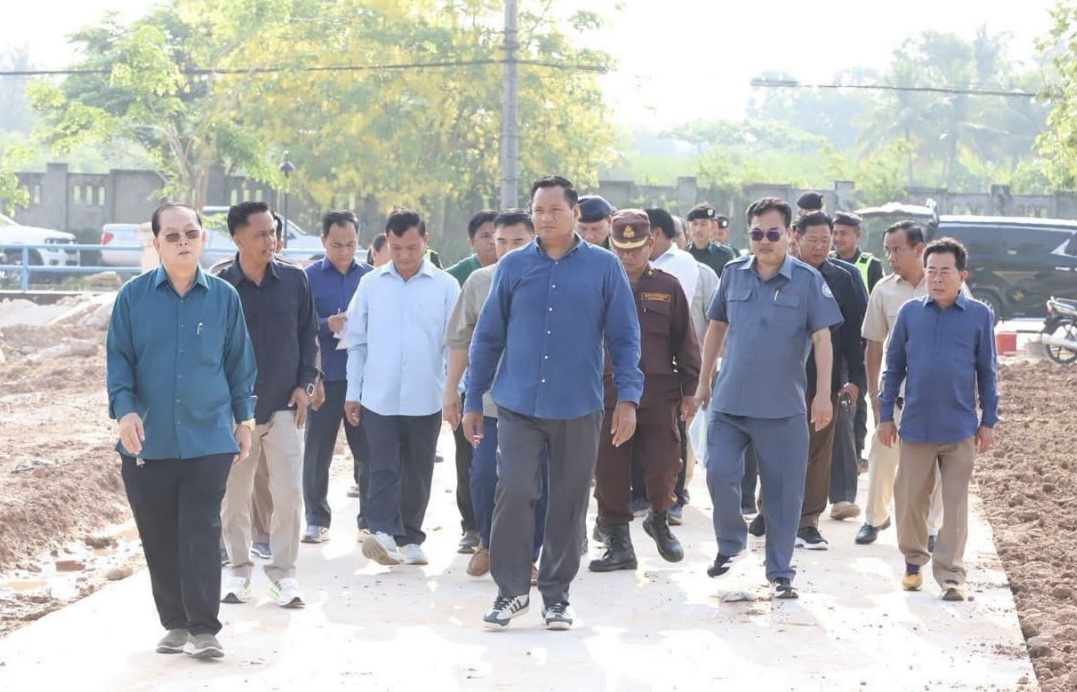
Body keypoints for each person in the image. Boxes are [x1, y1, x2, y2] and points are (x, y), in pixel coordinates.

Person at [464, 175, 643, 631]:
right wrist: (472, 397)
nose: (545, 218)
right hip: (518, 403)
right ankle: (510, 592)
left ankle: (557, 596)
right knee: (514, 489)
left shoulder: (604, 267)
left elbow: (625, 337)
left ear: (575, 213)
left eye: (555, 210)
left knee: (568, 500)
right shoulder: (513, 266)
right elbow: (487, 336)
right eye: (539, 210)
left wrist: (628, 398)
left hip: (578, 404)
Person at [107, 202, 256, 659]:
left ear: (203, 238)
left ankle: (205, 628)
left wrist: (244, 419)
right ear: (157, 243)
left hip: (208, 436)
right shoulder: (132, 297)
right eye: (172, 236)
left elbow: (239, 363)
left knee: (201, 529)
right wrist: (125, 412)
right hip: (148, 441)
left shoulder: (224, 297)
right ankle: (175, 623)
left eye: (190, 233)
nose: (183, 242)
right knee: (159, 535)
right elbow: (119, 363)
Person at [695, 197, 843, 600]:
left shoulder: (807, 281)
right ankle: (731, 544)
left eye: (773, 234)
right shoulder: (732, 274)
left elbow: (823, 339)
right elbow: (716, 327)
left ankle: (780, 572)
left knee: (783, 496)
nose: (764, 241)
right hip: (730, 402)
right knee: (718, 472)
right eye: (757, 234)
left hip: (783, 408)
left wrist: (823, 395)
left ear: (789, 235)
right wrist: (703, 381)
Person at [878, 237, 999, 601]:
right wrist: (885, 415)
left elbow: (987, 372)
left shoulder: (979, 315)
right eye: (931, 271)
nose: (937, 278)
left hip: (960, 427)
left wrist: (988, 421)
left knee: (956, 504)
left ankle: (951, 574)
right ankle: (913, 562)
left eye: (946, 271)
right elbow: (893, 367)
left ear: (962, 275)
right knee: (910, 499)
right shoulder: (910, 314)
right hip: (916, 425)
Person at [344, 208, 460, 567]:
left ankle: (410, 538)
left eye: (411, 247)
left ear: (425, 240)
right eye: (396, 248)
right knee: (382, 465)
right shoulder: (371, 284)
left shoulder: (445, 286)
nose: (404, 256)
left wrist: (454, 390)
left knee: (418, 468)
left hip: (426, 394)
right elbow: (356, 341)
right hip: (378, 394)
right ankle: (381, 533)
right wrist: (352, 391)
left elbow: (455, 345)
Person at [217, 201, 319, 609]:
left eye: (273, 232)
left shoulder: (295, 280)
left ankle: (284, 576)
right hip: (235, 414)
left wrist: (306, 385)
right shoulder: (220, 286)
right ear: (238, 238)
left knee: (289, 496)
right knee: (235, 499)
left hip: (284, 408)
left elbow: (308, 334)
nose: (270, 241)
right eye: (260, 234)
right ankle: (239, 573)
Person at [589, 210, 700, 572]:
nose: (628, 256)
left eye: (636, 248)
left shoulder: (668, 287)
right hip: (608, 392)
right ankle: (617, 541)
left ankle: (659, 518)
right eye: (621, 248)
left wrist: (690, 388)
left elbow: (685, 339)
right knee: (610, 470)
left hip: (658, 391)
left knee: (664, 463)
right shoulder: (598, 285)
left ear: (651, 244)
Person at [749, 212, 866, 548]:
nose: (819, 247)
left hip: (823, 382)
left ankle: (807, 520)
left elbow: (856, 336)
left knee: (816, 453)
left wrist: (854, 380)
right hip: (778, 379)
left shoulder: (845, 279)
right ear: (796, 237)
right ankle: (768, 510)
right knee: (774, 449)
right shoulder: (777, 273)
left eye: (826, 241)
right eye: (813, 240)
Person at [443, 209, 548, 578]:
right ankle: (488, 543)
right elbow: (460, 341)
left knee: (533, 481)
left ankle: (527, 556)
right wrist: (451, 391)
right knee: (484, 473)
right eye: (501, 241)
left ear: (534, 240)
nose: (507, 249)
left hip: (538, 403)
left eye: (518, 241)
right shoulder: (479, 281)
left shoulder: (550, 280)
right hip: (487, 400)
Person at [856, 221, 950, 547]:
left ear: (919, 249)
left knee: (938, 463)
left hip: (940, 396)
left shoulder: (946, 285)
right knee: (882, 455)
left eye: (897, 249)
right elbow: (873, 346)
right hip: (896, 395)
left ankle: (931, 527)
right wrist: (874, 395)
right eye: (888, 250)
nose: (891, 256)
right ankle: (875, 518)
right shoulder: (883, 290)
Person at [301, 210, 372, 544]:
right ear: (323, 241)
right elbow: (298, 323)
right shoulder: (308, 278)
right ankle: (316, 519)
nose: (344, 251)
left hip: (364, 379)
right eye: (336, 245)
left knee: (368, 450)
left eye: (351, 244)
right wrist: (325, 323)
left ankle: (369, 520)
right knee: (318, 450)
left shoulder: (371, 278)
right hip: (325, 376)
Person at [444, 209, 499, 552]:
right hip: (476, 389)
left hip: (526, 393)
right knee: (473, 464)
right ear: (472, 241)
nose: (495, 243)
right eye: (487, 236)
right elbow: (458, 339)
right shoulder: (463, 278)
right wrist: (451, 388)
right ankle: (475, 528)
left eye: (503, 237)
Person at [831, 210, 883, 471]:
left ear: (857, 235)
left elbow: (877, 302)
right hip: (831, 339)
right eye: (835, 233)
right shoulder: (826, 261)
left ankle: (856, 449)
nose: (838, 238)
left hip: (859, 340)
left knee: (856, 396)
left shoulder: (870, 265)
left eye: (844, 233)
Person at [685, 203, 736, 278]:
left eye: (703, 224)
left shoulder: (724, 255)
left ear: (713, 226)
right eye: (694, 224)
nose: (698, 229)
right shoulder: (684, 253)